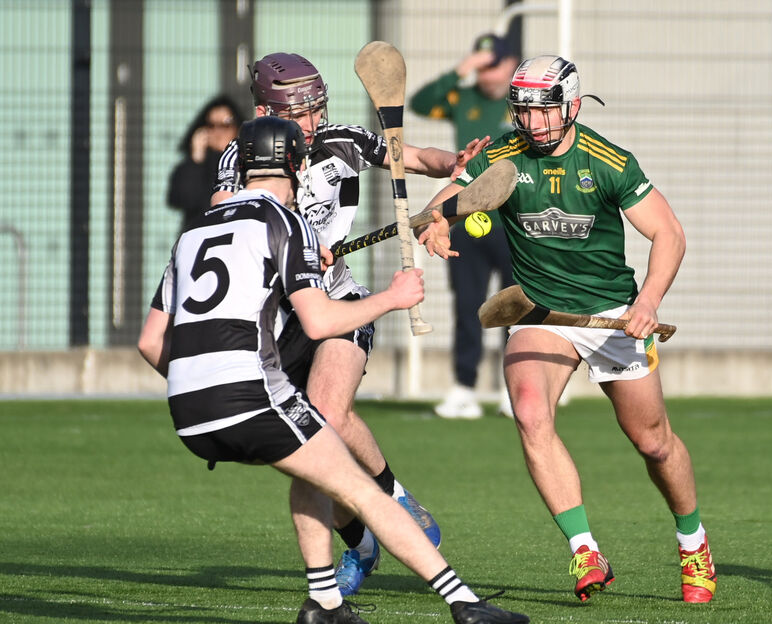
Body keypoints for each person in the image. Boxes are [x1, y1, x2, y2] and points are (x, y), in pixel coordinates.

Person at [138, 116, 529, 624]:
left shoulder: (191, 234)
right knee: (359, 488)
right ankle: (466, 605)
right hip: (251, 397)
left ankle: (325, 604)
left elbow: (151, 342)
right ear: (296, 166)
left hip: (188, 413)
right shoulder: (287, 221)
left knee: (311, 467)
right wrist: (392, 298)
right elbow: (320, 322)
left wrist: (205, 382)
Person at [416, 55, 717, 604]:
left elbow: (669, 234)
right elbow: (445, 202)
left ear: (572, 106)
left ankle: (693, 542)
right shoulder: (501, 156)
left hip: (611, 316)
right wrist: (437, 222)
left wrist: (648, 300)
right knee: (530, 412)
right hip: (540, 314)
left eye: (543, 110)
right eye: (522, 110)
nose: (530, 122)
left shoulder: (609, 162)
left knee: (651, 442)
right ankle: (584, 548)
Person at [211, 52, 488, 596]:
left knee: (328, 412)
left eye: (318, 109)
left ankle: (395, 497)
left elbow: (413, 158)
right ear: (266, 109)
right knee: (305, 451)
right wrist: (291, 247)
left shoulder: (343, 140)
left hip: (339, 304)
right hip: (281, 324)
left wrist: (454, 161)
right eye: (301, 113)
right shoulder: (241, 158)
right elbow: (227, 213)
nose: (313, 123)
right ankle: (361, 542)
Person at [410, 34, 518, 419]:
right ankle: (464, 387)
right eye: (482, 65)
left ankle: (515, 388)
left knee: (517, 306)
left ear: (511, 65)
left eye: (495, 64)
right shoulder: (464, 100)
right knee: (468, 305)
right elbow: (420, 102)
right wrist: (463, 69)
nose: (488, 74)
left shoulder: (521, 106)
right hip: (467, 220)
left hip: (514, 223)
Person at [167, 94, 244, 230]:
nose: (218, 132)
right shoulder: (194, 164)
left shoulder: (246, 162)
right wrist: (196, 159)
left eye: (226, 124)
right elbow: (183, 199)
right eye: (212, 125)